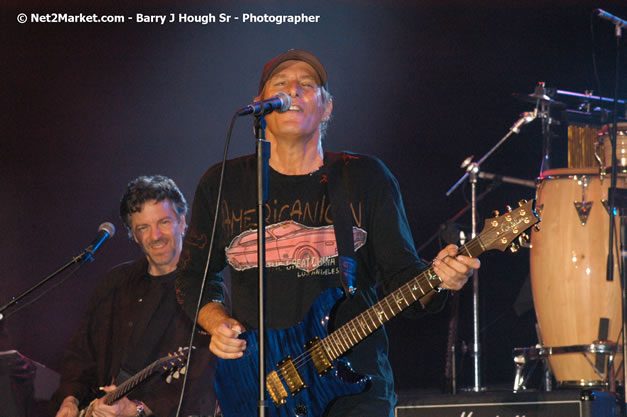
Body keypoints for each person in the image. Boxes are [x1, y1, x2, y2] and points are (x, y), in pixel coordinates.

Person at [175, 50, 480, 417]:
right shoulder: (222, 183)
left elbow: (402, 275)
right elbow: (193, 277)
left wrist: (438, 279)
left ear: (327, 107)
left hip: (354, 388)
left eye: (307, 85)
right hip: (258, 386)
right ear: (260, 105)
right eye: (281, 84)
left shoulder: (364, 177)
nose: (294, 91)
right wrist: (216, 321)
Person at [52, 175, 216, 417]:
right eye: (143, 228)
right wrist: (70, 400)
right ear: (133, 234)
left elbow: (205, 379)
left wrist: (139, 409)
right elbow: (80, 354)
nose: (156, 236)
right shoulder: (115, 283)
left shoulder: (209, 285)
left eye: (164, 222)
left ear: (182, 222)